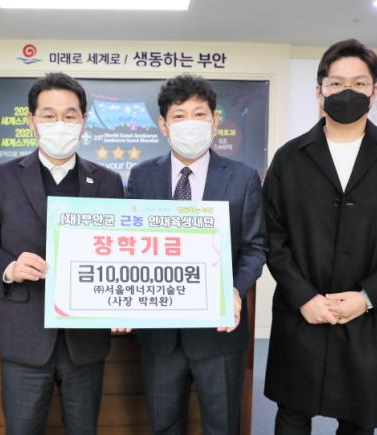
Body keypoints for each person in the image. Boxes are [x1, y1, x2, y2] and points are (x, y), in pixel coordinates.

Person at [263, 39, 377, 435]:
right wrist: (303, 296)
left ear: (374, 91)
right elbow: (272, 235)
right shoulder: (289, 158)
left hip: (367, 316)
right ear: (319, 90)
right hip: (301, 312)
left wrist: (368, 296)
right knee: (292, 414)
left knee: (358, 420)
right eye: (336, 83)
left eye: (359, 83)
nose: (347, 91)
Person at [0, 72, 124, 435]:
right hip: (25, 336)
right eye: (49, 115)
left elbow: (121, 251)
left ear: (83, 121)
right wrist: (9, 267)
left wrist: (122, 305)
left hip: (85, 340)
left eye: (70, 115)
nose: (60, 124)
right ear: (32, 120)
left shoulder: (107, 182)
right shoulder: (1, 177)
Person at [126, 74, 267, 435]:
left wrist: (235, 290)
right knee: (163, 425)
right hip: (159, 335)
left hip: (219, 333)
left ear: (214, 121)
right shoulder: (141, 177)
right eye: (179, 115)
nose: (190, 123)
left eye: (199, 114)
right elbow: (128, 244)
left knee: (222, 426)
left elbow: (254, 247)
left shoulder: (243, 178)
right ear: (164, 125)